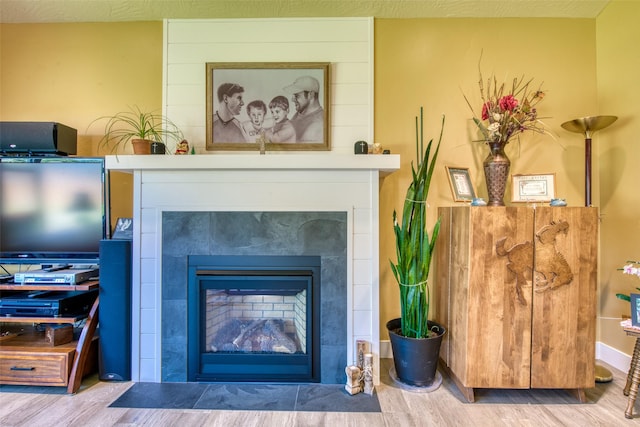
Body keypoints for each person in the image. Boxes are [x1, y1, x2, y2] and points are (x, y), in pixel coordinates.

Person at [284, 76, 324, 142]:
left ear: (311, 95)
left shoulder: (318, 124)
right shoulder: (302, 112)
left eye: (297, 96)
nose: (292, 99)